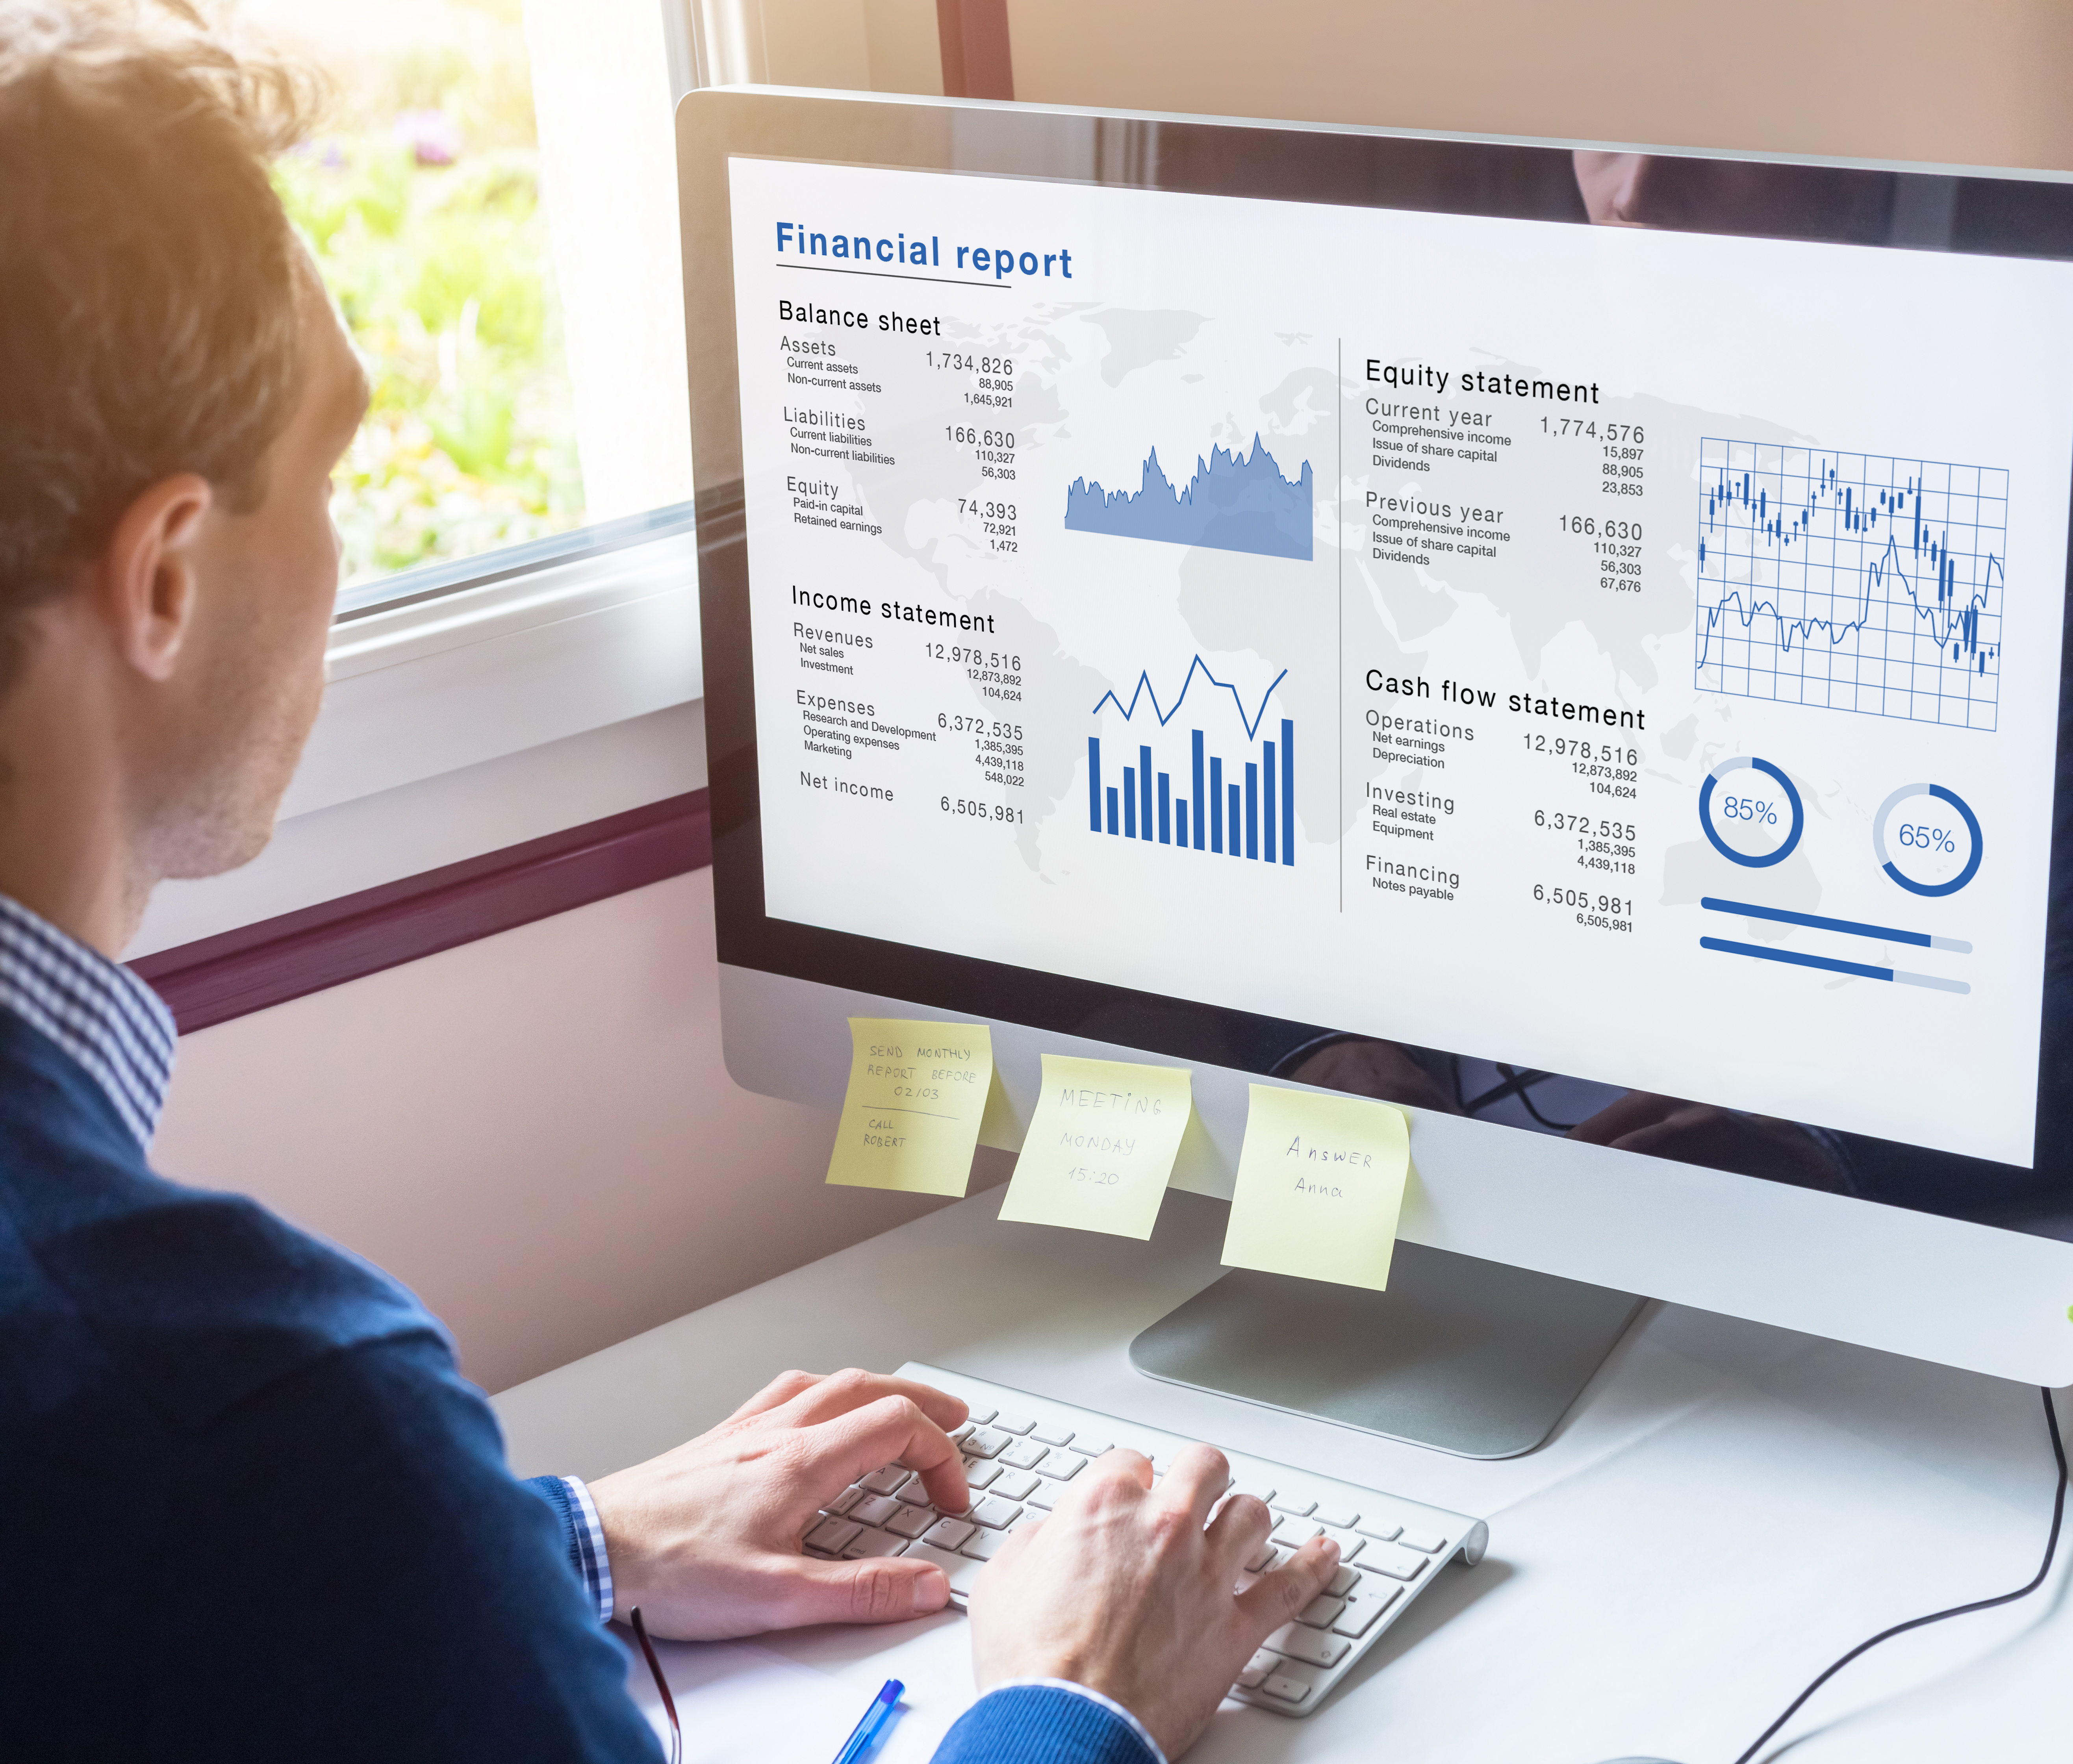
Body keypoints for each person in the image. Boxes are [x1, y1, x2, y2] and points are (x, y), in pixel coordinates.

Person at [0, 4, 1336, 1758]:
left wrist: (538, 1549)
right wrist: (1061, 1698)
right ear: (164, 573)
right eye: (330, 471)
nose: (345, 552)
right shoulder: (256, 1419)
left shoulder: (236, 1460)